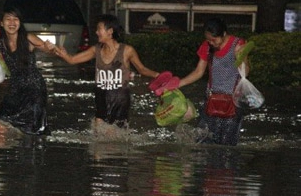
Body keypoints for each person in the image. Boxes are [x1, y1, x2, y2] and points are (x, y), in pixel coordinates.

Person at [53, 14, 160, 130]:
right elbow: (72, 60)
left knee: (114, 136)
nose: (96, 32)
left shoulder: (127, 51)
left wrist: (160, 76)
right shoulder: (95, 50)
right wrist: (60, 52)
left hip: (120, 99)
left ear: (110, 31)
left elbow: (142, 69)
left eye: (99, 29)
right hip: (101, 96)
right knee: (98, 132)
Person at [0, 6, 56, 135]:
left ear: (20, 23)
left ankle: (31, 151)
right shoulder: (0, 43)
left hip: (34, 88)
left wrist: (50, 47)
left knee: (32, 128)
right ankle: (6, 152)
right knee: (2, 120)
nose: (12, 23)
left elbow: (47, 49)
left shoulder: (28, 38)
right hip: (16, 88)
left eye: (16, 19)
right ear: (1, 24)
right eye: (8, 19)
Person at [177, 17, 250, 146]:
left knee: (226, 144)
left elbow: (245, 73)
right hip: (211, 100)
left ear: (223, 34)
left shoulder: (237, 44)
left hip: (233, 101)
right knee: (202, 139)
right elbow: (198, 72)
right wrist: (177, 84)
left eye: (214, 39)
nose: (211, 42)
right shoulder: (207, 47)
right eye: (208, 39)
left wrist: (241, 57)